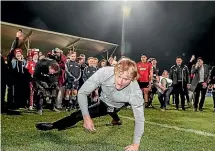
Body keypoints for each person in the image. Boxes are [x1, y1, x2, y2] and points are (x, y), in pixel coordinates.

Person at [36, 58, 145, 151]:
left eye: (126, 79)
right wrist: (86, 117)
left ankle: (116, 119)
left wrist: (136, 144)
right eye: (119, 76)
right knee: (79, 115)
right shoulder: (104, 72)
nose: (121, 82)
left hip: (116, 105)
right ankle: (54, 125)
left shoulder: (135, 93)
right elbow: (83, 92)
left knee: (112, 110)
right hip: (103, 102)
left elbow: (139, 119)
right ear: (115, 71)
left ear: (133, 79)